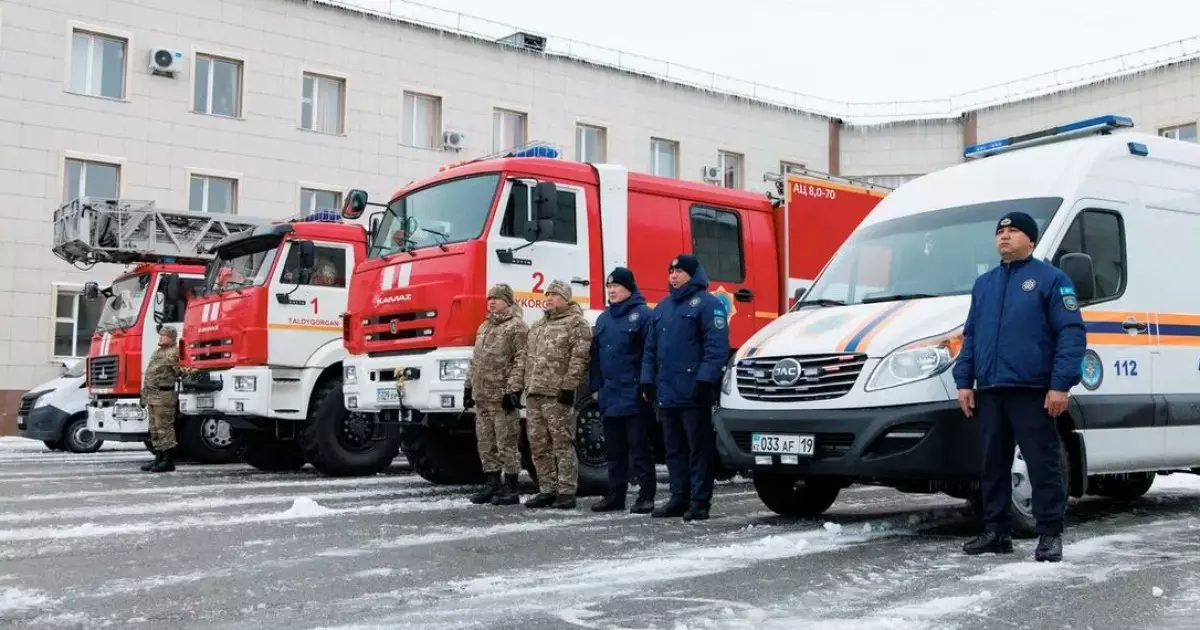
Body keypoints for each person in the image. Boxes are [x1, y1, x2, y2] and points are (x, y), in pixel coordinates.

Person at [953, 211, 1087, 563]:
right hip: (992, 390)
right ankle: (996, 532)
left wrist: (1060, 385)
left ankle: (1049, 535)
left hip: (1033, 390)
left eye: (1013, 231)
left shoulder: (1052, 280)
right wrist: (964, 381)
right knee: (993, 465)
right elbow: (971, 337)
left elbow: (1071, 334)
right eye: (1000, 231)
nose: (1005, 236)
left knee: (1043, 464)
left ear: (1031, 239)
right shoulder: (984, 285)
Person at [640, 254, 729, 521]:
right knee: (674, 449)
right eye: (671, 271)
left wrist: (705, 380)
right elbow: (651, 349)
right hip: (668, 392)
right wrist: (647, 380)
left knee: (697, 448)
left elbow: (716, 347)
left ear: (692, 274)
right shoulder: (663, 308)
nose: (673, 276)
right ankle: (679, 497)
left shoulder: (709, 304)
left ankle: (700, 501)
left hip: (693, 392)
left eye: (679, 271)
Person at [588, 267, 656, 514]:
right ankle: (615, 494)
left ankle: (646, 495)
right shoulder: (604, 319)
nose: (612, 291)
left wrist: (647, 385)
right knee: (614, 451)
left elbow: (650, 354)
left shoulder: (644, 316)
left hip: (635, 395)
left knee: (639, 449)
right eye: (609, 287)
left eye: (616, 286)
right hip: (610, 395)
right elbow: (594, 357)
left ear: (629, 288)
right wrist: (595, 387)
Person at [522, 280, 593, 509]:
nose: (549, 298)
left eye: (554, 294)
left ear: (565, 297)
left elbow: (579, 358)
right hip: (534, 393)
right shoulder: (538, 326)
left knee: (562, 443)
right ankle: (547, 489)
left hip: (557, 394)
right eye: (547, 294)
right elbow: (527, 358)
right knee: (538, 445)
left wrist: (569, 387)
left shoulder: (576, 323)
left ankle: (566, 491)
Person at [463, 283, 528, 506]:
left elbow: (521, 360)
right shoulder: (484, 327)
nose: (491, 302)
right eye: (489, 298)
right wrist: (468, 386)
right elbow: (475, 360)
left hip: (502, 397)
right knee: (486, 443)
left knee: (506, 443)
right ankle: (492, 484)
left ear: (507, 301)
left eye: (497, 298)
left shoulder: (516, 327)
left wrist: (513, 390)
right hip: (483, 397)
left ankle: (511, 488)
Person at [141, 326, 183, 473]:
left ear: (171, 337)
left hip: (164, 396)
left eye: (163, 335)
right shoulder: (158, 352)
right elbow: (150, 376)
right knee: (154, 429)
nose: (160, 337)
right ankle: (158, 457)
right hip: (152, 396)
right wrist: (144, 395)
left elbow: (181, 371)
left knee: (164, 428)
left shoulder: (174, 352)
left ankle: (168, 460)